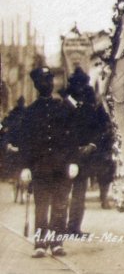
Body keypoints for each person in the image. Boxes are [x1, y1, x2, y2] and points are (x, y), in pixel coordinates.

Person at [13, 67, 78, 258]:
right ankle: (40, 243)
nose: (46, 85)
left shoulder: (65, 107)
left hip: (61, 167)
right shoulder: (30, 112)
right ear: (36, 85)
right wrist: (25, 166)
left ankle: (56, 243)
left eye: (49, 81)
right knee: (41, 206)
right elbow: (25, 141)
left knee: (60, 206)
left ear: (53, 83)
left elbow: (73, 137)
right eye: (42, 82)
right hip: (40, 168)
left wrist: (74, 161)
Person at [64, 67, 113, 235]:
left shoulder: (93, 106)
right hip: (66, 155)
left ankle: (73, 227)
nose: (80, 87)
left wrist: (92, 144)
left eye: (82, 84)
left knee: (79, 193)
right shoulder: (64, 106)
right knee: (62, 193)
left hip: (85, 155)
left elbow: (104, 128)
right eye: (76, 84)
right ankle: (59, 225)